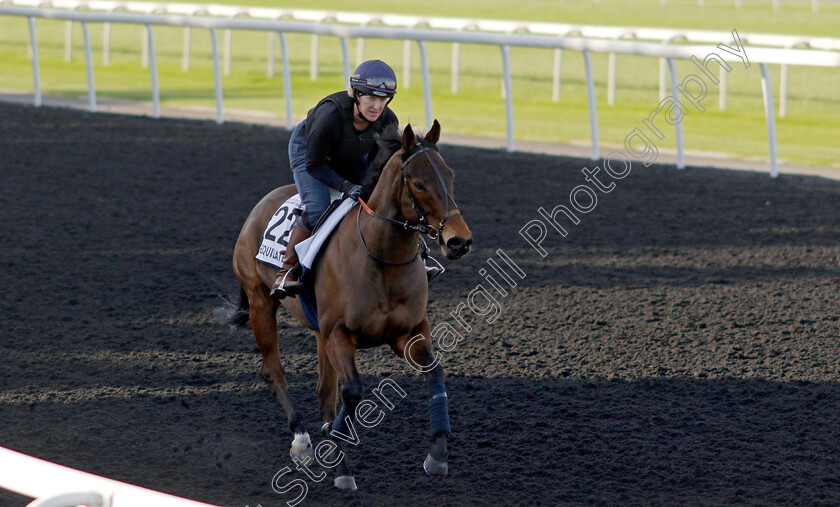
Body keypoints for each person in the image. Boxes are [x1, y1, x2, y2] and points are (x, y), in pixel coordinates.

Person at [271, 60, 441, 300]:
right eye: (371, 98)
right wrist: (346, 186)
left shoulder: (388, 121)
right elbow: (315, 164)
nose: (376, 106)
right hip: (309, 152)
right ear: (356, 96)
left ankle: (419, 257)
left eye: (383, 99)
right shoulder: (330, 115)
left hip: (349, 154)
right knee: (319, 208)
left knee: (382, 199)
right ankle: (286, 272)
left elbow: (378, 165)